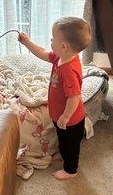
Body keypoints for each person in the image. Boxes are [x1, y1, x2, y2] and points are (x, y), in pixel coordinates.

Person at [18, 16, 91, 180]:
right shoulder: (60, 57)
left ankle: (71, 170)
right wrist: (27, 42)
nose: (50, 41)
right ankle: (64, 154)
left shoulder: (69, 70)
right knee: (62, 140)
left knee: (71, 145)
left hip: (71, 120)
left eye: (53, 38)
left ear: (64, 46)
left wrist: (65, 117)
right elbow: (42, 53)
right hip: (60, 116)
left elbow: (74, 97)